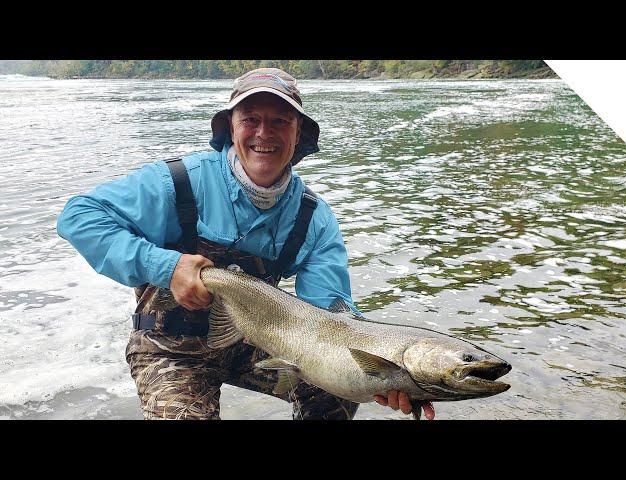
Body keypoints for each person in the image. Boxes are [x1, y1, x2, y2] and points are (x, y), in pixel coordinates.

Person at [57, 67, 435, 420]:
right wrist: (166, 267)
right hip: (168, 347)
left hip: (257, 344)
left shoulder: (314, 219)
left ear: (298, 133)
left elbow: (332, 323)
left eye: (279, 121)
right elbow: (78, 216)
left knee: (339, 395)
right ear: (231, 128)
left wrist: (387, 377)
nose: (263, 133)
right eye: (250, 119)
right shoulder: (177, 182)